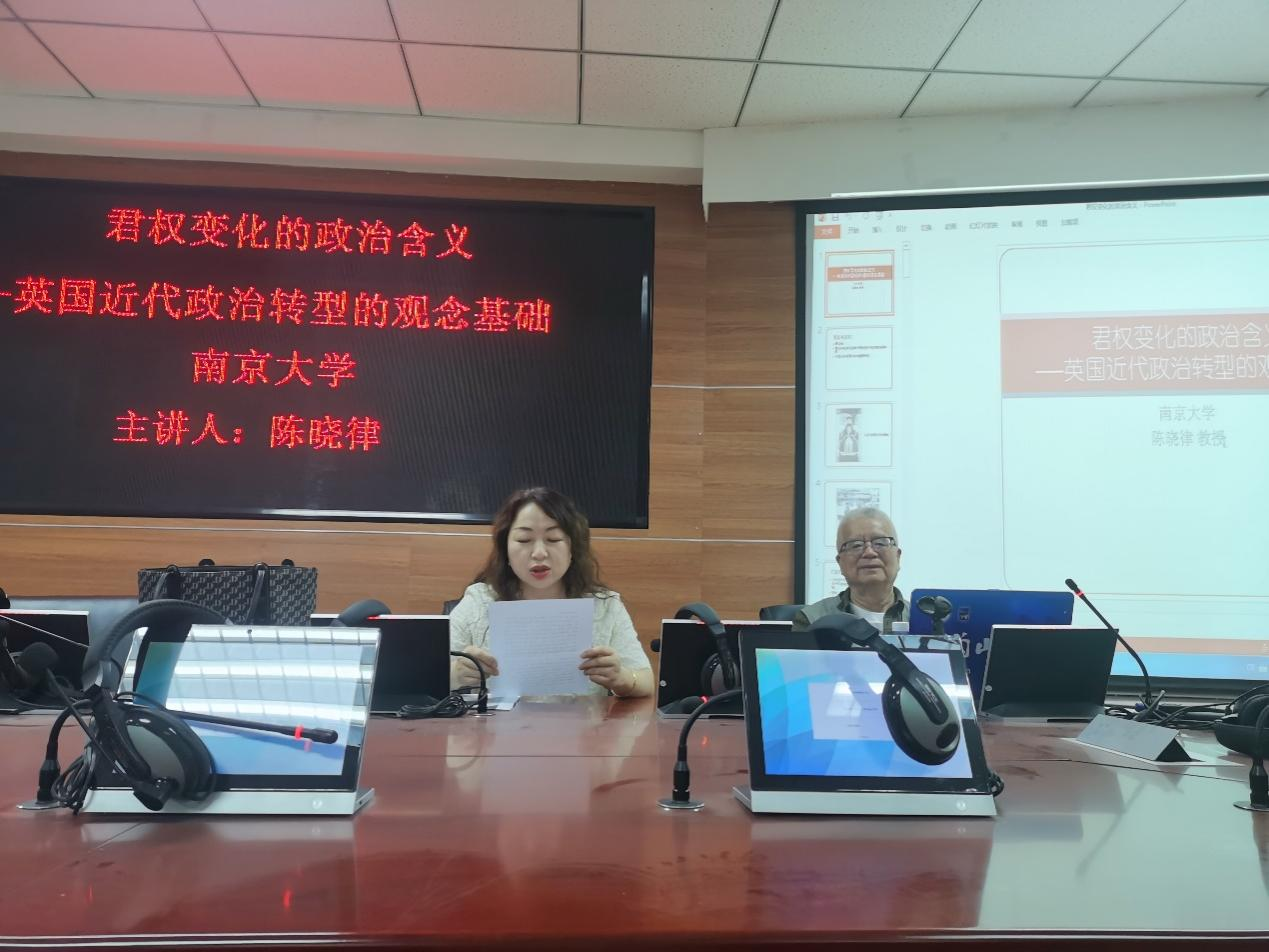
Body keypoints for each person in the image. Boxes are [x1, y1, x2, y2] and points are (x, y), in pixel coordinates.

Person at [449, 487, 653, 698]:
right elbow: (428, 676)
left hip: (584, 720)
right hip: (497, 720)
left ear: (573, 548)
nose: (539, 553)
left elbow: (646, 682)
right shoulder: (479, 601)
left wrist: (622, 679)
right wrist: (455, 675)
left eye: (553, 539)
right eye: (524, 540)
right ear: (505, 550)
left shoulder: (605, 605)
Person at [795, 506, 908, 633]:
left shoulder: (923, 620)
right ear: (840, 562)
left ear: (898, 557)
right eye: (856, 545)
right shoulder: (813, 620)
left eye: (880, 543)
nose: (869, 552)